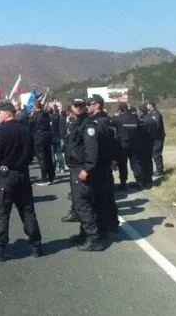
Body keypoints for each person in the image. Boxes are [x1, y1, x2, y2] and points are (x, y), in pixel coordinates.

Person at [0, 102, 42, 261]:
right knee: (27, 210)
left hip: (6, 176)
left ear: (7, 113)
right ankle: (36, 245)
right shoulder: (26, 130)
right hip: (23, 174)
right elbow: (30, 155)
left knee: (1, 213)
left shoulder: (2, 131)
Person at [64, 99, 103, 251]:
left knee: (82, 204)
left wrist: (87, 168)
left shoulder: (88, 125)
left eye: (81, 105)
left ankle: (94, 239)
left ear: (85, 108)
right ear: (71, 107)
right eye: (76, 105)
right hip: (75, 168)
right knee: (79, 203)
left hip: (81, 169)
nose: (78, 108)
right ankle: (84, 234)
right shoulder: (77, 123)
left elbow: (92, 149)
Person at [86, 95, 119, 235]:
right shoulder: (108, 120)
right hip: (107, 163)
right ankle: (112, 224)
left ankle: (103, 227)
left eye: (90, 103)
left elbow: (96, 146)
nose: (87, 106)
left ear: (97, 105)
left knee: (99, 198)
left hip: (100, 164)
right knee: (108, 196)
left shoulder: (98, 123)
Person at [29, 101, 55, 185]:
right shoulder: (46, 114)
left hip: (38, 138)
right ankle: (51, 176)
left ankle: (44, 178)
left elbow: (31, 126)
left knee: (42, 158)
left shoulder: (35, 116)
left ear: (35, 107)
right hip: (47, 137)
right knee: (48, 157)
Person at [146, 101, 165, 176]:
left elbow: (156, 124)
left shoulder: (156, 113)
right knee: (154, 153)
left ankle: (160, 170)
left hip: (158, 137)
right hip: (154, 137)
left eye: (147, 104)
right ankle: (158, 169)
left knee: (157, 153)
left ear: (151, 105)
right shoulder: (151, 113)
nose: (146, 106)